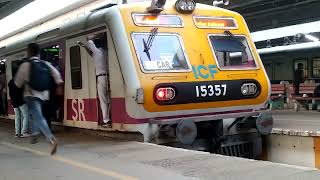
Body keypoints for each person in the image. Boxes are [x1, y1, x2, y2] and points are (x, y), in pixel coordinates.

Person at [14, 43, 63, 155]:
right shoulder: (45, 63)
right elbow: (56, 74)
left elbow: (17, 83)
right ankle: (35, 132)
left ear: (29, 52)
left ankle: (51, 139)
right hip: (44, 95)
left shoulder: (26, 65)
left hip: (31, 94)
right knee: (35, 113)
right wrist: (59, 85)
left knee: (38, 115)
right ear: (38, 53)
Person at [78, 34, 111, 127]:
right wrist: (84, 47)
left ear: (96, 45)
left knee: (103, 99)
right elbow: (91, 54)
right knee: (108, 99)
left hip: (101, 77)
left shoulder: (97, 52)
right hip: (108, 76)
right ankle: (108, 118)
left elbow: (89, 39)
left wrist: (94, 36)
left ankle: (106, 120)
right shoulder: (105, 52)